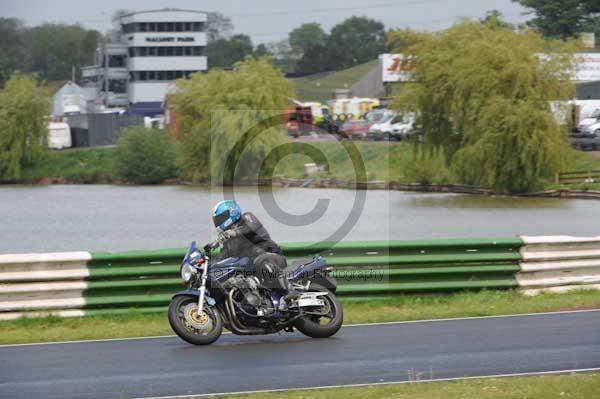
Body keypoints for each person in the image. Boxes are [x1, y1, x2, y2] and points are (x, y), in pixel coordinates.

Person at [210, 200, 297, 306]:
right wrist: (205, 267)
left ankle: (290, 290)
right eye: (217, 219)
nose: (219, 221)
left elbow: (250, 228)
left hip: (273, 258)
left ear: (231, 212)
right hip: (253, 270)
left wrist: (232, 233)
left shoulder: (247, 217)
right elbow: (221, 258)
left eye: (221, 218)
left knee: (259, 258)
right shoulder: (228, 241)